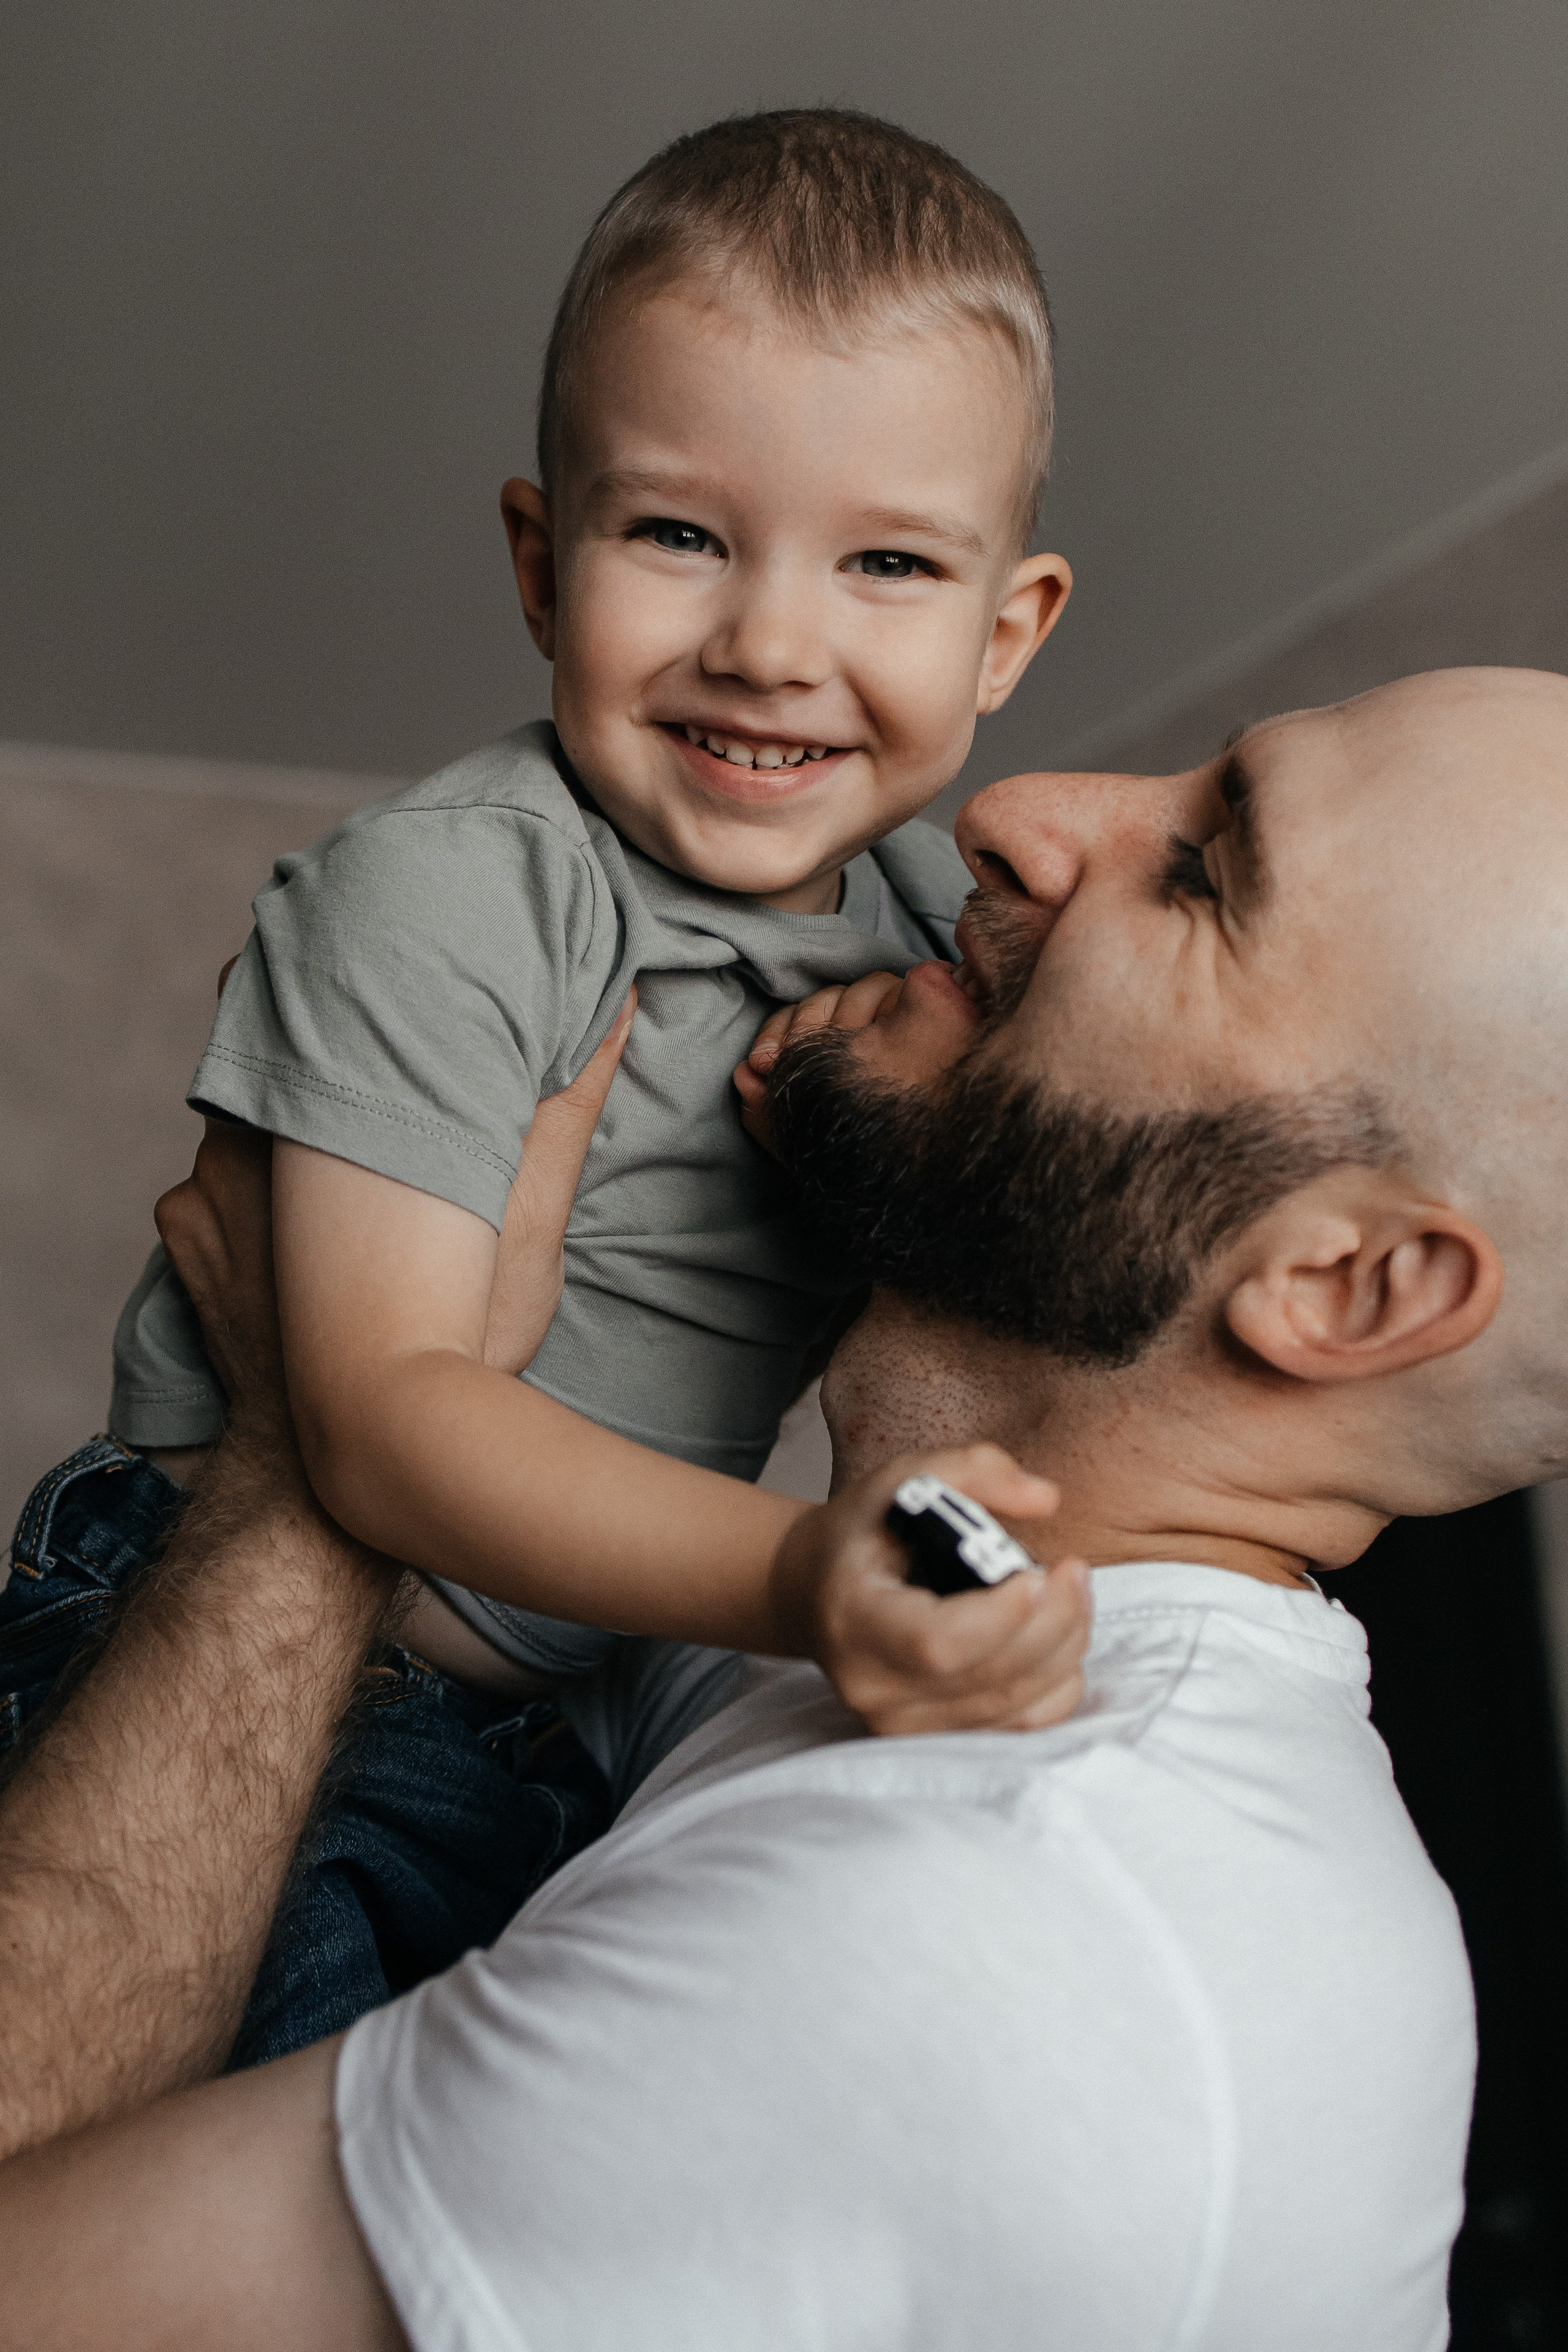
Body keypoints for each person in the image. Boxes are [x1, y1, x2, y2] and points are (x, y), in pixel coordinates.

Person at [10, 663, 1558, 2348]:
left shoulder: (992, 1920)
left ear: (1344, 1283)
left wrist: (323, 1436)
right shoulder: (871, 1667)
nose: (1019, 812)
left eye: (1200, 872)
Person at [4, 109, 1086, 2056]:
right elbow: (384, 1423)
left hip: (549, 1708)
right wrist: (806, 1570)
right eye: (678, 534)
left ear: (1006, 633)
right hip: (250, 1676)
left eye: (889, 563)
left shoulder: (940, 919)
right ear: (540, 559)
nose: (770, 643)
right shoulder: (464, 890)